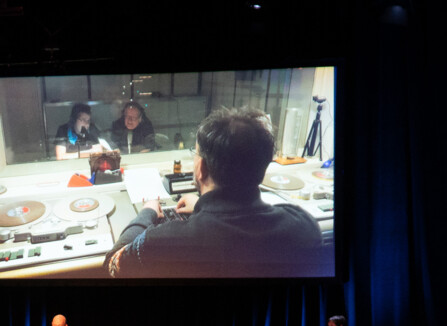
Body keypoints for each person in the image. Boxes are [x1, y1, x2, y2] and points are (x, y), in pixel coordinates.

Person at [106, 107, 325, 278]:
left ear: (201, 168)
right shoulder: (303, 227)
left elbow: (113, 264)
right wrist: (203, 203)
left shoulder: (165, 242)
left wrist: (147, 212)